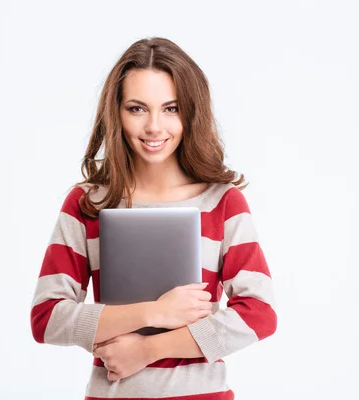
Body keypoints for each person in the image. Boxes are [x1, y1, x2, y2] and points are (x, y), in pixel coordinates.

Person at [30, 36, 277, 400]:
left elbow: (259, 313)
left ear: (190, 112)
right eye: (137, 108)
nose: (154, 127)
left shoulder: (222, 203)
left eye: (171, 108)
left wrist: (149, 350)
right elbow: (46, 319)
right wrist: (153, 313)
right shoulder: (87, 204)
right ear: (116, 113)